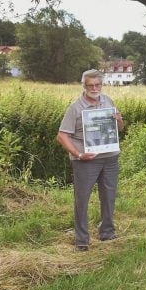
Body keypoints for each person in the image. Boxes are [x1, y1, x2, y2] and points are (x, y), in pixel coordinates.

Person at [57, 69, 124, 251]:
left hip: (109, 158)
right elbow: (62, 136)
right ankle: (81, 240)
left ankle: (107, 233)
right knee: (82, 200)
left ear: (101, 85)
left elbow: (120, 128)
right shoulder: (75, 108)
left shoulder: (108, 100)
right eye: (90, 85)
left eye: (97, 84)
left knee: (109, 197)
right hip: (85, 161)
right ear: (84, 86)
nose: (94, 88)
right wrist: (78, 155)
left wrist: (118, 120)